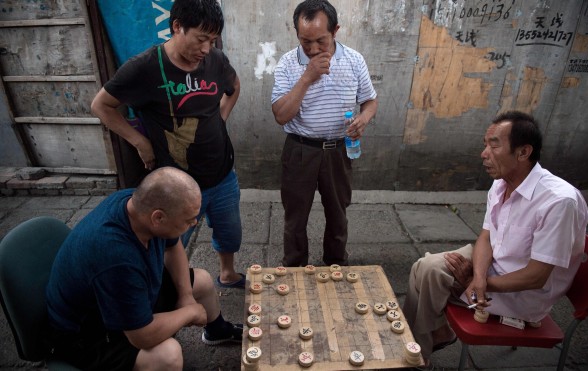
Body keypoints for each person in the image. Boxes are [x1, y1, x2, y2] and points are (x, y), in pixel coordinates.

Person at [403, 111, 588, 367]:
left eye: (494, 144)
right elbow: (487, 237)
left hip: (525, 295)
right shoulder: (501, 183)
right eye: (485, 144)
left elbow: (536, 276)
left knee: (429, 277)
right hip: (494, 270)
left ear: (523, 152)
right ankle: (428, 341)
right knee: (424, 268)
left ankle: (416, 355)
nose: (484, 153)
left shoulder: (559, 201)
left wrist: (482, 283)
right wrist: (478, 277)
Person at [91, 0, 245, 289]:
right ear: (177, 27)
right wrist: (139, 141)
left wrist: (221, 117)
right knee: (170, 243)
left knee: (230, 232)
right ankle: (168, 289)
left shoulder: (215, 60)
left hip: (222, 172)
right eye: (201, 39)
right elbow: (101, 106)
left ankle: (227, 273)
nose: (206, 48)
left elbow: (234, 87)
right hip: (177, 182)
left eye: (212, 40)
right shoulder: (145, 68)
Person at [45, 167, 243, 371]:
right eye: (188, 220)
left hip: (122, 295)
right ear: (158, 218)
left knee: (201, 280)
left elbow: (173, 245)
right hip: (87, 336)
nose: (195, 222)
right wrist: (190, 313)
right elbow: (141, 336)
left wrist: (185, 295)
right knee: (168, 355)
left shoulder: (136, 204)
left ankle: (217, 331)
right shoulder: (116, 257)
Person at [271, 0, 378, 267]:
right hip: (300, 149)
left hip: (339, 150)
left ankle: (335, 264)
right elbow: (281, 115)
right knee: (295, 217)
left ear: (335, 30)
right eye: (305, 41)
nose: (313, 49)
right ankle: (294, 266)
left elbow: (370, 101)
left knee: (338, 213)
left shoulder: (354, 60)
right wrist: (307, 77)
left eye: (321, 41)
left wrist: (363, 118)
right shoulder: (287, 63)